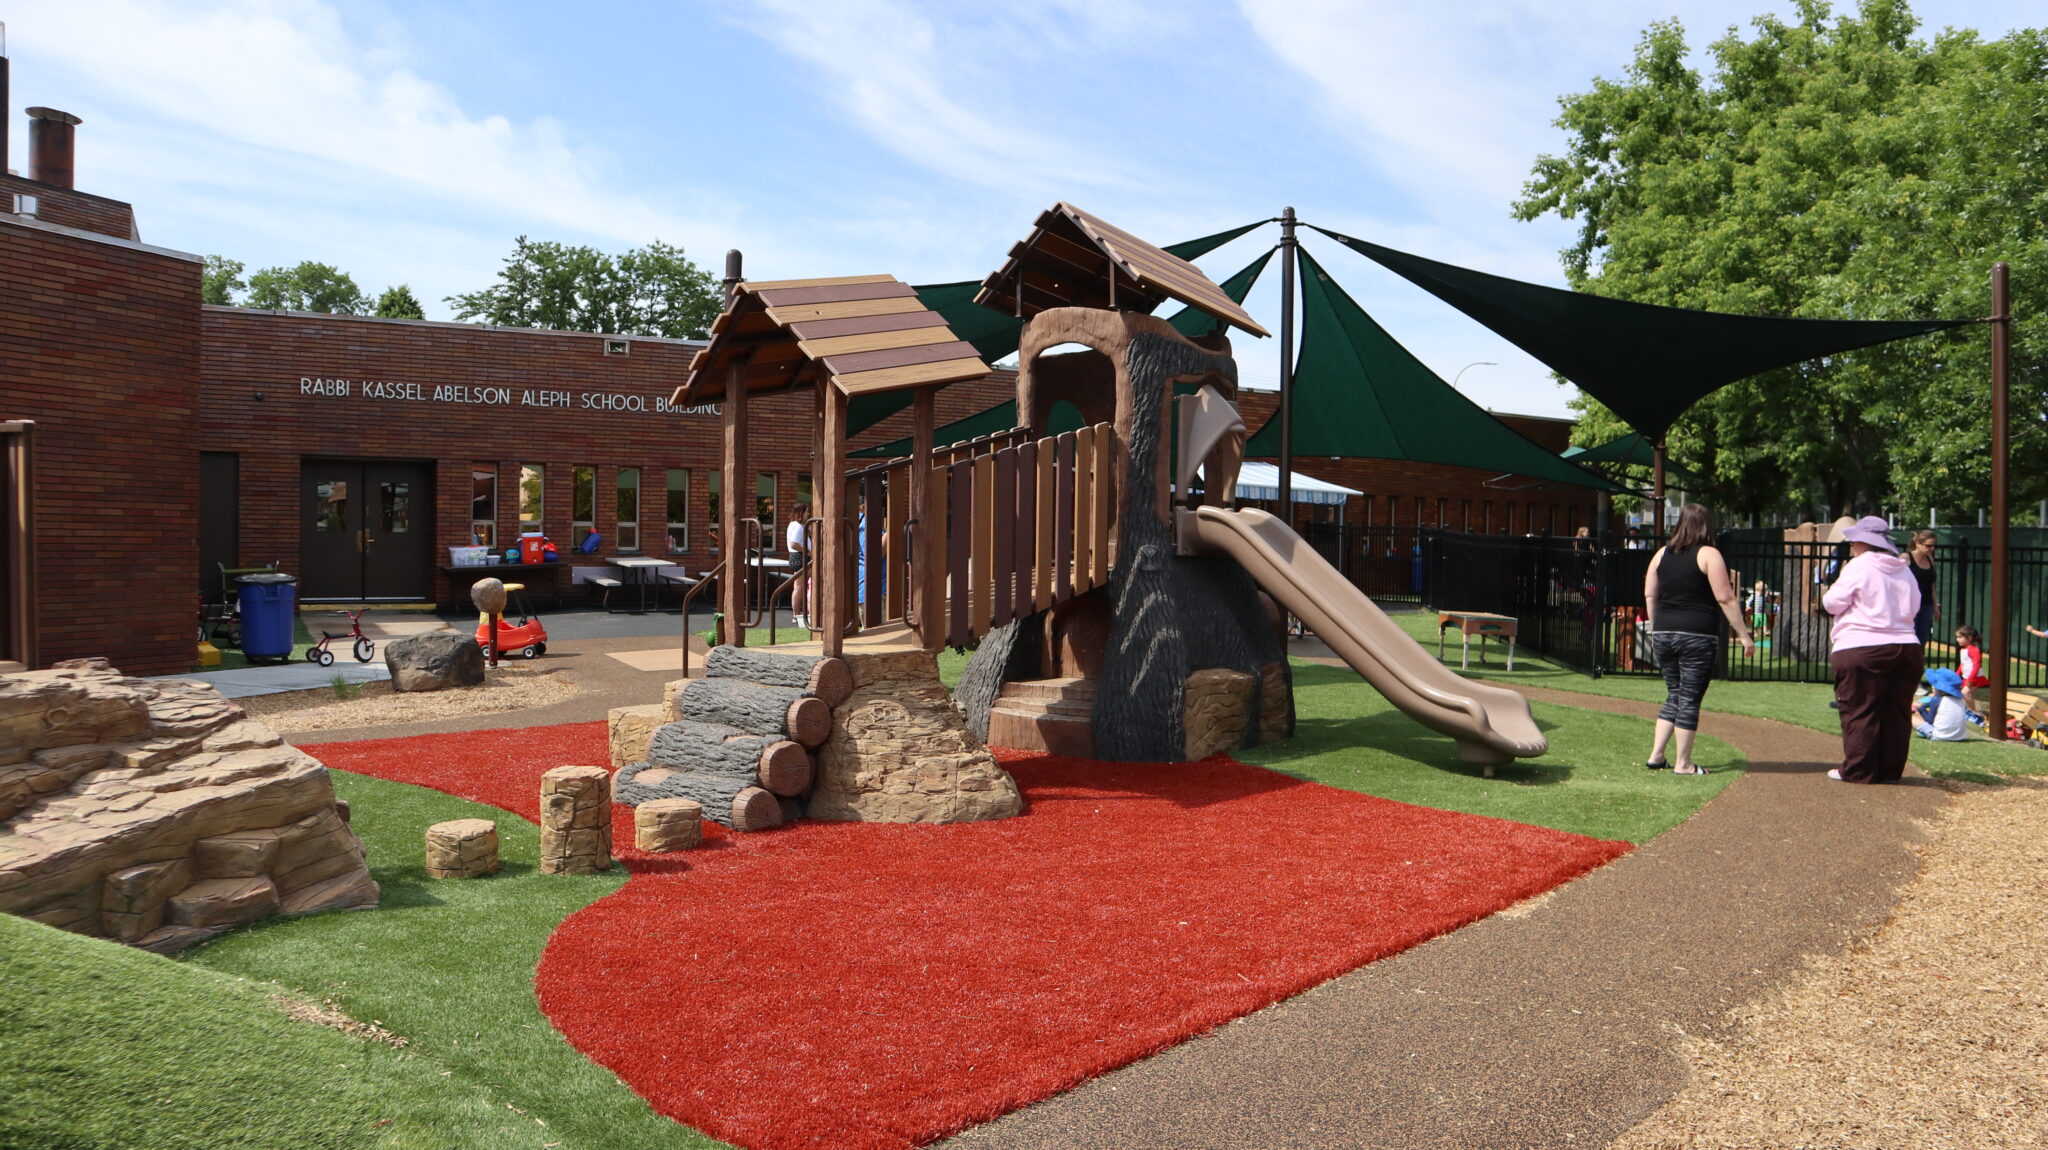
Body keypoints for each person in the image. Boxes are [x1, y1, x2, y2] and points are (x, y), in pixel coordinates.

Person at [1644, 504, 1756, 775]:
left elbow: (1650, 594)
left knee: (1674, 693)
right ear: (1707, 525)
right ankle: (1683, 763)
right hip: (1696, 634)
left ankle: (1657, 755)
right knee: (1690, 698)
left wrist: (1657, 626)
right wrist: (1744, 635)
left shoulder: (1661, 554)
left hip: (1663, 633)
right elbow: (1725, 597)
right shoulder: (1709, 554)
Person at [1821, 516, 1924, 783]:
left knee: (1860, 709)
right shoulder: (1903, 568)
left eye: (1854, 540)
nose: (1851, 544)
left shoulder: (1859, 566)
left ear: (1863, 542)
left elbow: (1832, 603)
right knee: (1897, 712)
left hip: (1861, 645)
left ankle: (1857, 771)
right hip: (1906, 647)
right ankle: (1889, 771)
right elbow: (1914, 606)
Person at [1914, 669, 1970, 742]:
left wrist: (1920, 708)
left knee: (1913, 719)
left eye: (1934, 685)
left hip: (1939, 736)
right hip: (1959, 737)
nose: (1932, 686)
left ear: (1940, 689)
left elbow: (1929, 720)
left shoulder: (1937, 700)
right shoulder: (1960, 701)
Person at [1906, 530, 1940, 645]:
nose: (1932, 549)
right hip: (1910, 606)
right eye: (1928, 545)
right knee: (1910, 640)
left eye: (1934, 545)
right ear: (1918, 544)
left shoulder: (1930, 559)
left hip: (1926, 605)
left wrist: (1935, 605)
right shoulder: (1906, 558)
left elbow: (1932, 585)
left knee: (1922, 640)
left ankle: (1918, 662)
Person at [1954, 623, 1989, 721]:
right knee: (1966, 695)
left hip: (1975, 678)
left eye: (1960, 637)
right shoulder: (1963, 650)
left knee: (1965, 694)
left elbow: (1976, 665)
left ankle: (1973, 713)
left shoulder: (1974, 650)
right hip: (1968, 677)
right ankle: (1970, 712)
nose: (1957, 639)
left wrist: (1970, 679)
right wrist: (1956, 675)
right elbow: (1963, 665)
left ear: (1969, 638)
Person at [786, 502, 811, 630]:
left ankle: (801, 613)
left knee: (801, 586)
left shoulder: (795, 525)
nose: (808, 514)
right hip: (800, 557)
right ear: (801, 513)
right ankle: (797, 614)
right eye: (807, 511)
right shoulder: (797, 527)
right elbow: (794, 543)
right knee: (800, 586)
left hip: (798, 556)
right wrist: (808, 551)